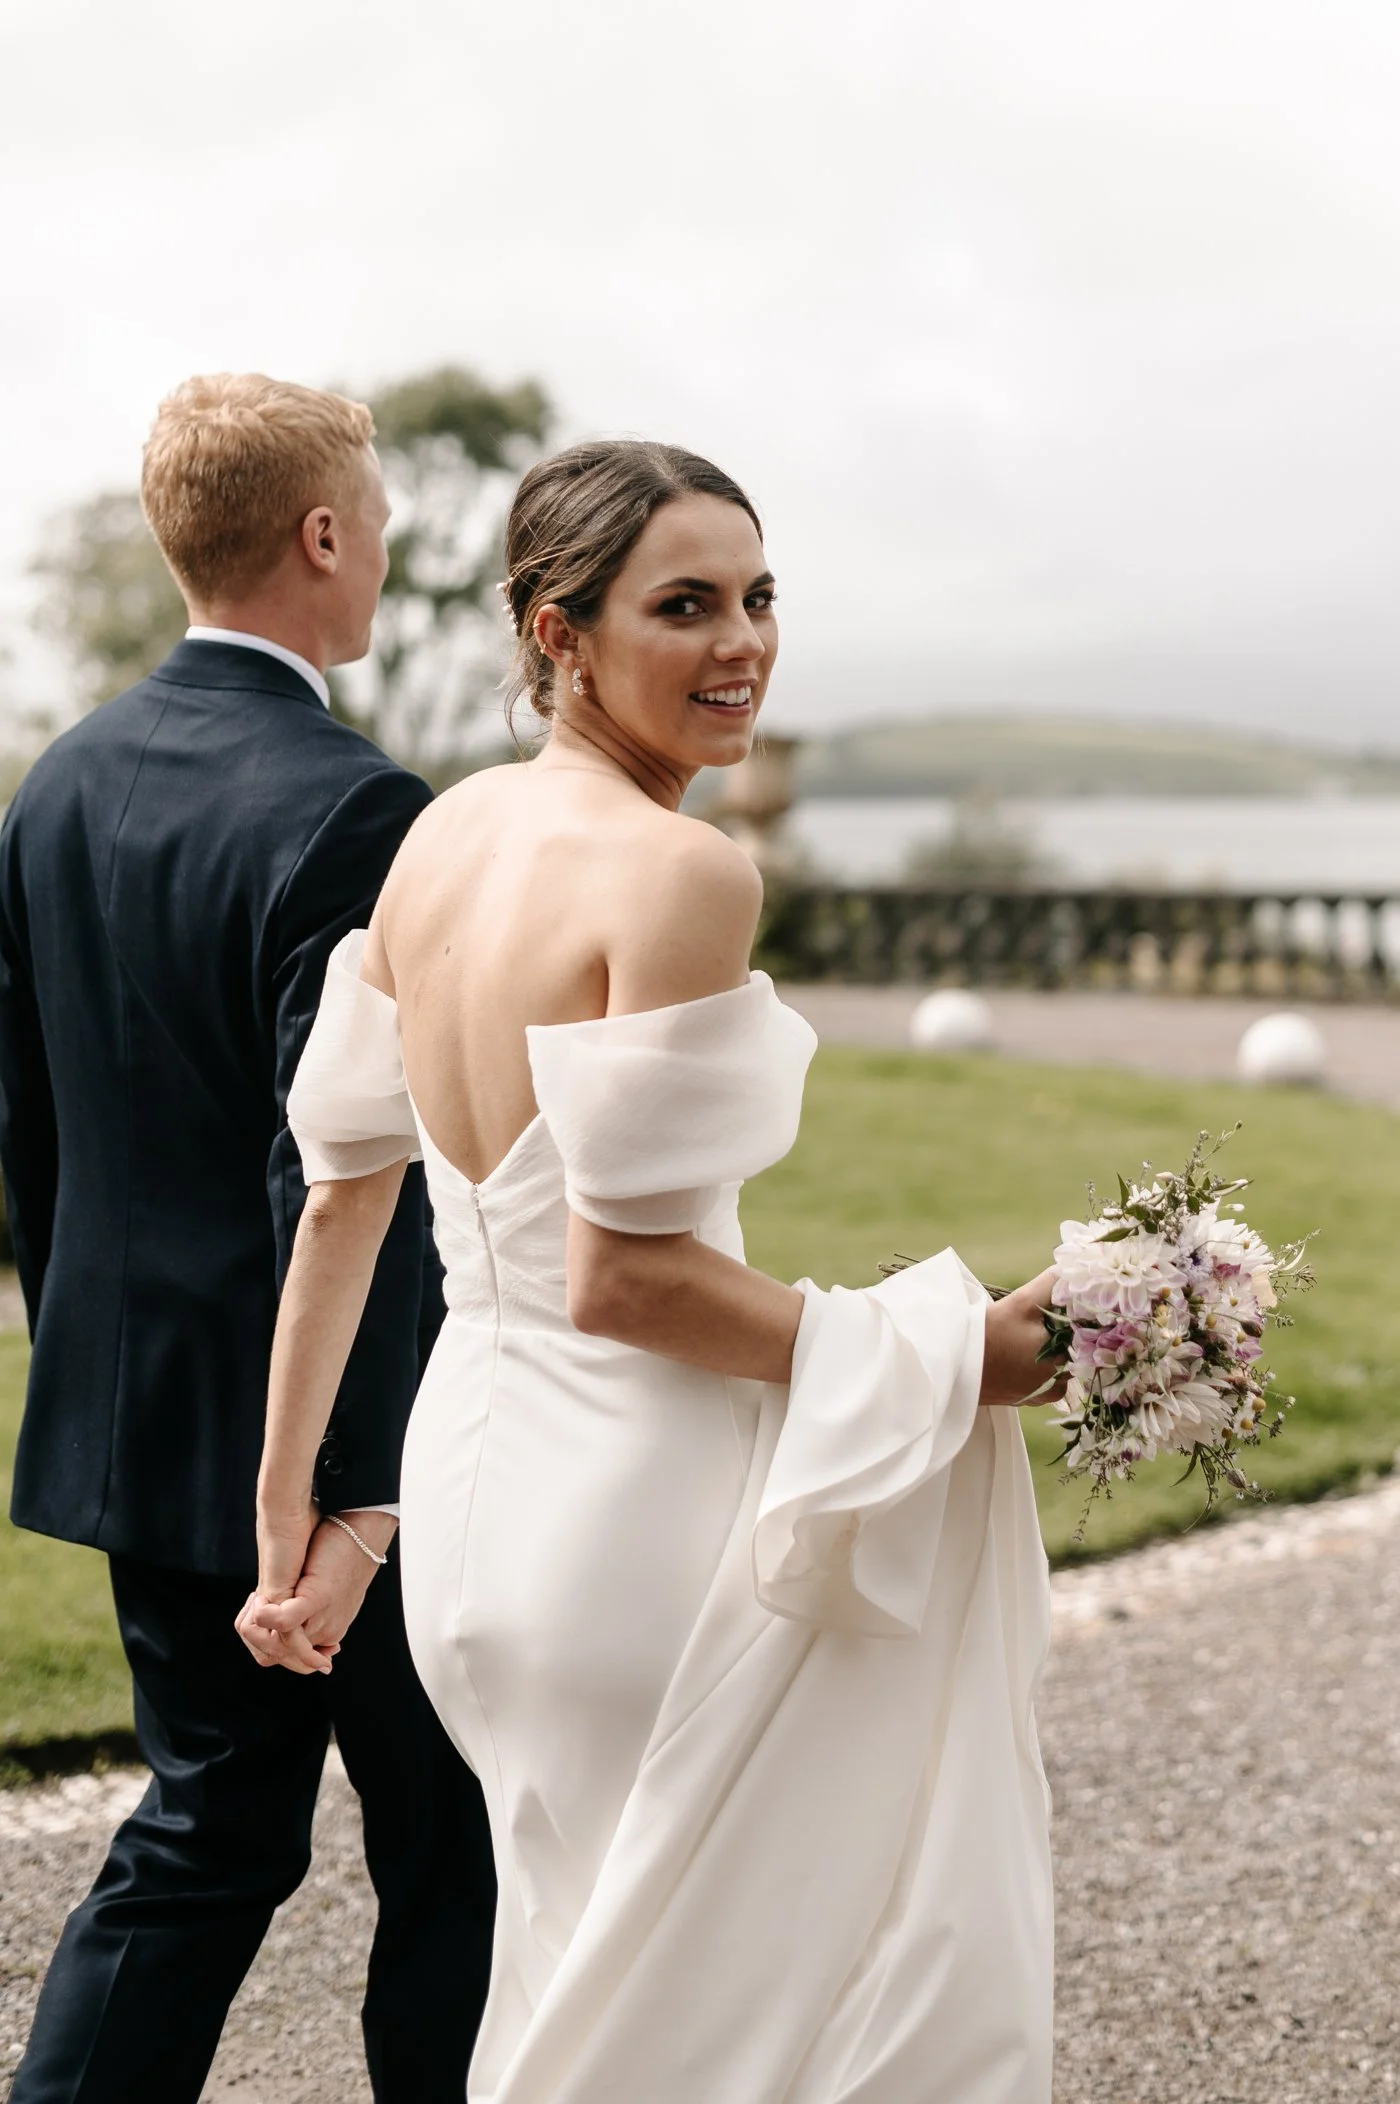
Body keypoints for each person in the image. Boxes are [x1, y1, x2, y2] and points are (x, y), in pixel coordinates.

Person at [243, 439, 1059, 2102]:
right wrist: (955, 1354)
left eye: (760, 598)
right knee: (742, 1985)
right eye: (681, 606)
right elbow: (626, 1282)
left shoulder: (442, 839)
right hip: (632, 1510)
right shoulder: (685, 870)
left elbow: (343, 1201)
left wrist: (290, 1521)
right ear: (559, 633)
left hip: (472, 1512)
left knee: (582, 1964)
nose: (740, 643)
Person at [0, 374, 495, 2104]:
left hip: (142, 1422)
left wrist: (100, 1365)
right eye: (378, 528)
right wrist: (361, 1494)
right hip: (333, 1453)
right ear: (324, 534)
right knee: (456, 1842)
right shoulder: (362, 806)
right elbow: (347, 1177)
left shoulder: (59, 780)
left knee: (211, 1827)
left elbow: (38, 1128)